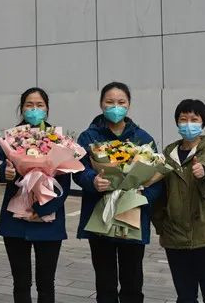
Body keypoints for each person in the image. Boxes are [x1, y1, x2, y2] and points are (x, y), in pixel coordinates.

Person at [73, 81, 163, 303]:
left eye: (121, 102)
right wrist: (93, 181)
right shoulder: (89, 137)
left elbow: (157, 178)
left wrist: (142, 198)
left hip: (132, 217)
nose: (115, 107)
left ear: (129, 105)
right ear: (101, 104)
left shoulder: (143, 138)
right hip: (100, 217)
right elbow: (78, 169)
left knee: (132, 282)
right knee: (105, 283)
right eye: (110, 102)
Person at [0, 87, 70, 303]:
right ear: (22, 108)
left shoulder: (58, 139)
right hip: (15, 218)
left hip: (48, 219)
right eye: (29, 105)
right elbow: (1, 168)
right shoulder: (11, 138)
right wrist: (6, 173)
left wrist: (44, 208)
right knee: (21, 282)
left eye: (39, 105)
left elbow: (65, 180)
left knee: (46, 282)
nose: (34, 109)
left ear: (47, 109)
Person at [153, 99, 205, 303]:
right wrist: (162, 227)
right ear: (177, 122)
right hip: (176, 239)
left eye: (194, 119)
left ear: (203, 122)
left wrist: (204, 168)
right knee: (185, 297)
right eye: (183, 119)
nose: (188, 124)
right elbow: (160, 194)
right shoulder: (168, 154)